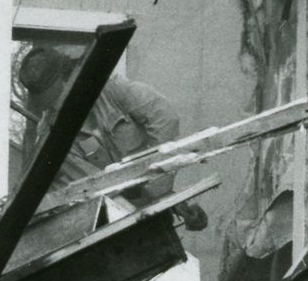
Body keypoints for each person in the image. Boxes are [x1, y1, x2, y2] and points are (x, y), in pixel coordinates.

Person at [13, 43, 207, 232]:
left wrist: (161, 188)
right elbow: (99, 188)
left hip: (152, 197)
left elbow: (164, 118)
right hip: (119, 219)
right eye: (48, 102)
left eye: (56, 96)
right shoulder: (54, 136)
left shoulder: (111, 88)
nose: (54, 106)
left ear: (70, 79)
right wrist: (159, 200)